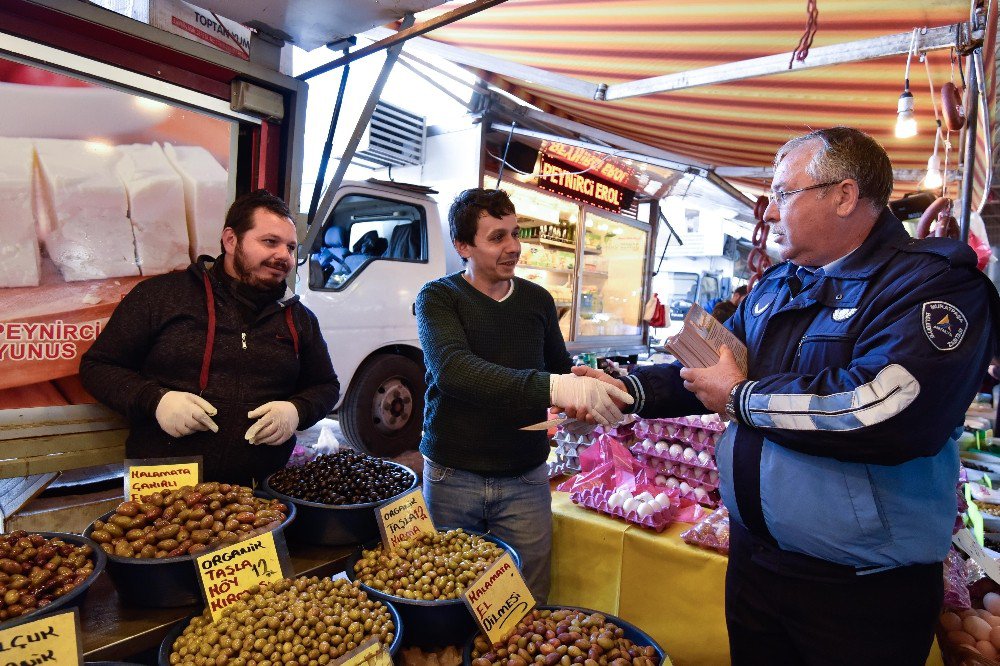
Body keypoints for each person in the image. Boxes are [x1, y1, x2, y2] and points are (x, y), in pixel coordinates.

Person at [572, 127, 1000, 665]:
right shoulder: (779, 284)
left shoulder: (933, 285)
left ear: (843, 196)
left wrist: (740, 399)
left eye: (782, 193)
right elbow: (712, 363)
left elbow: (879, 405)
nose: (769, 213)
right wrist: (630, 389)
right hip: (757, 565)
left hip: (861, 589)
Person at [415, 188, 632, 602]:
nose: (513, 247)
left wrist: (584, 388)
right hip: (453, 476)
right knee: (447, 592)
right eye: (497, 237)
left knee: (527, 596)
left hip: (525, 477)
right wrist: (554, 386)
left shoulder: (537, 300)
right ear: (463, 245)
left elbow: (557, 368)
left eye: (515, 234)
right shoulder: (439, 298)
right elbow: (454, 372)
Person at [81, 190, 340, 486]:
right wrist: (156, 401)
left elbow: (326, 386)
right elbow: (98, 367)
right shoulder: (161, 296)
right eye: (270, 242)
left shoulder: (300, 319)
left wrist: (297, 410)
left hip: (259, 491)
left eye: (291, 247)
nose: (284, 256)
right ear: (231, 240)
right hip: (164, 487)